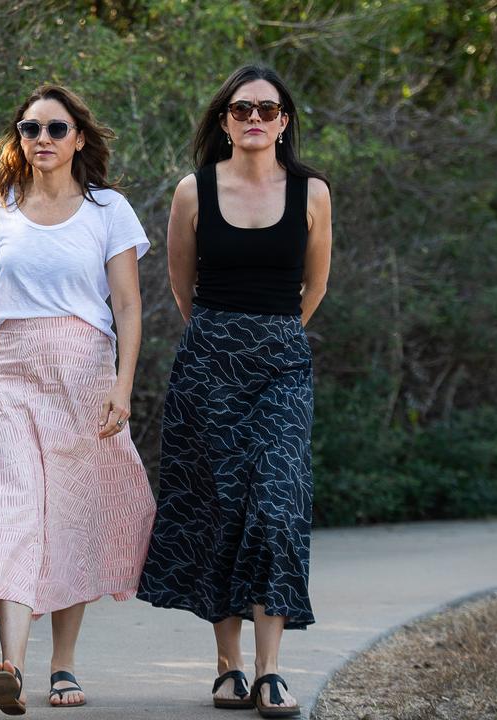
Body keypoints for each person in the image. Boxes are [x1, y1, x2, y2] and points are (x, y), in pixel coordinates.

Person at [0, 84, 156, 715]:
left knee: (69, 517)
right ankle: (12, 665)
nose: (42, 139)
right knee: (10, 512)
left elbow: (129, 305)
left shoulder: (108, 209)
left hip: (84, 377)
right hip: (12, 377)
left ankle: (63, 666)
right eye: (30, 129)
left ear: (78, 138)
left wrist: (123, 387)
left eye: (56, 129)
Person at [136, 64, 332, 718]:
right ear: (224, 120)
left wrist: (270, 339)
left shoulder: (312, 192)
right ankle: (229, 667)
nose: (254, 119)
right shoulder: (194, 191)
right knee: (220, 510)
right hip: (208, 364)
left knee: (275, 506)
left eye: (267, 110)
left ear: (283, 121)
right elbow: (179, 283)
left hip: (281, 364)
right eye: (241, 109)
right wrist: (223, 339)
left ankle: (273, 670)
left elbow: (316, 286)